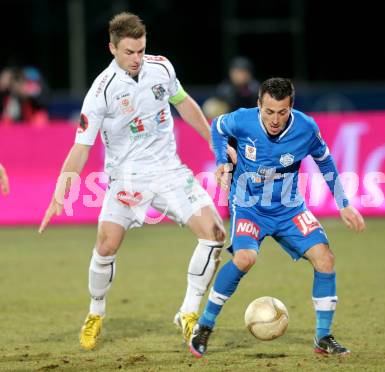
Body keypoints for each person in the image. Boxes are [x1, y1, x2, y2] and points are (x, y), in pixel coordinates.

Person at [38, 12, 227, 350]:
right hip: (126, 179)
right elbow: (81, 147)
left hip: (170, 171)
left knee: (215, 236)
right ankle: (95, 314)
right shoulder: (101, 91)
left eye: (141, 50)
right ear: (112, 48)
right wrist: (60, 191)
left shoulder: (162, 68)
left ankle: (187, 313)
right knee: (106, 246)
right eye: (129, 52)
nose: (137, 59)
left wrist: (216, 143)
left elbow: (185, 105)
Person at [189, 78, 365, 358]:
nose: (274, 119)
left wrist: (344, 204)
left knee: (325, 259)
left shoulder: (305, 128)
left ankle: (323, 337)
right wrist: (223, 159)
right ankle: (204, 326)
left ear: (291, 108)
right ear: (258, 105)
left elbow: (325, 161)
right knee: (245, 258)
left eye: (282, 112)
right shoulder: (242, 120)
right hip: (248, 206)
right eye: (268, 111)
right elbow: (217, 127)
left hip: (289, 209)